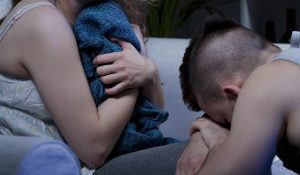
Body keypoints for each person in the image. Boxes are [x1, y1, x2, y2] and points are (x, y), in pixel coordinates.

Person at [0, 0, 188, 173]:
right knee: (207, 154)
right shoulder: (44, 23)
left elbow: (154, 114)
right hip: (82, 167)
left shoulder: (100, 15)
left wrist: (149, 72)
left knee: (211, 142)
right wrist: (131, 65)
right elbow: (95, 150)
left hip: (108, 159)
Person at [179, 17, 300, 174]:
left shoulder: (266, 80)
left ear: (233, 93)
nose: (230, 128)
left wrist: (218, 143)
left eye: (225, 121)